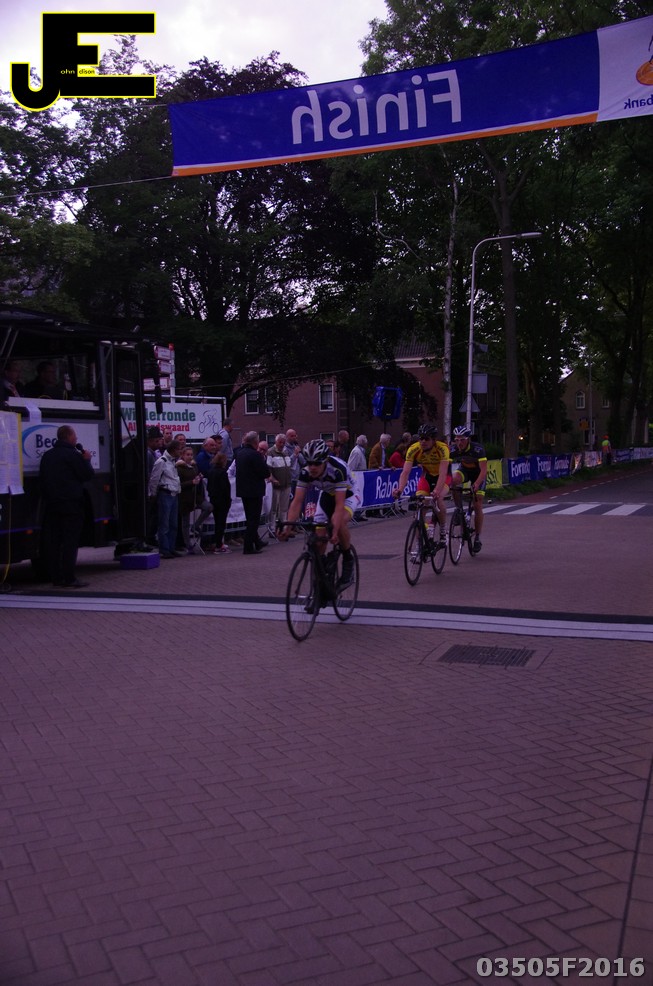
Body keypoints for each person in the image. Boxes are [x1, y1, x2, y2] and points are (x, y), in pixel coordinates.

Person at [278, 438, 357, 587]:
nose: (312, 467)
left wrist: (334, 532)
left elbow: (339, 505)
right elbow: (297, 502)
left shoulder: (337, 470)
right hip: (327, 494)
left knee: (338, 523)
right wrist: (288, 528)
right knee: (319, 535)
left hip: (349, 494)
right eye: (309, 463)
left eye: (317, 463)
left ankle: (348, 559)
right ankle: (322, 572)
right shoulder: (305, 473)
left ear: (325, 461)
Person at [39, 424, 94, 588]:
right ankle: (69, 577)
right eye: (74, 436)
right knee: (70, 541)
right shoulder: (73, 455)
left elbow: (42, 480)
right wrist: (87, 460)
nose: (76, 438)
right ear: (69, 437)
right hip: (72, 503)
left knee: (55, 541)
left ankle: (56, 577)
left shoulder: (47, 456)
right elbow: (86, 475)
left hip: (52, 504)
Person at [393, 424, 450, 546]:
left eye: (426, 439)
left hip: (443, 477)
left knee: (439, 499)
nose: (423, 441)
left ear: (433, 440)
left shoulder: (442, 448)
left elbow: (443, 473)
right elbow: (405, 472)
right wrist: (400, 489)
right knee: (420, 506)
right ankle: (419, 545)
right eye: (421, 438)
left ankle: (443, 530)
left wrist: (437, 490)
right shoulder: (414, 448)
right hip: (427, 477)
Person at [449, 425, 488, 554]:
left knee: (477, 504)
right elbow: (445, 468)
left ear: (468, 439)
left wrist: (476, 484)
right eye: (457, 440)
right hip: (465, 470)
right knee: (453, 480)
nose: (459, 443)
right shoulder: (453, 449)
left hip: (478, 474)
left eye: (462, 440)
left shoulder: (478, 449)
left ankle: (477, 537)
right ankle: (458, 510)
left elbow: (484, 470)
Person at [233, 430, 270, 554]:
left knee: (249, 517)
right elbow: (265, 472)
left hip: (243, 490)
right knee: (254, 519)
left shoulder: (239, 453)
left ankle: (257, 542)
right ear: (255, 442)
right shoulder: (255, 455)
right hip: (254, 490)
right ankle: (248, 547)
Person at [148, 439, 184, 558]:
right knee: (164, 524)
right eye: (179, 449)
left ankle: (171, 547)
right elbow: (154, 479)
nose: (181, 451)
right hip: (165, 494)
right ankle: (164, 549)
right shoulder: (161, 461)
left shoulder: (173, 461)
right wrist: (153, 494)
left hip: (174, 494)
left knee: (173, 524)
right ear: (174, 450)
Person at [176, 446, 213, 552]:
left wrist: (199, 477)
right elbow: (178, 485)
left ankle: (196, 526)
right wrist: (191, 482)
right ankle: (188, 544)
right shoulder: (179, 468)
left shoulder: (194, 466)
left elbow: (197, 477)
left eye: (191, 455)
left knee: (209, 507)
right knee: (185, 522)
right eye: (187, 455)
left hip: (196, 497)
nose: (190, 457)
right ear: (182, 455)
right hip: (184, 497)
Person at [207, 451, 233, 554]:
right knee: (221, 523)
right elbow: (225, 488)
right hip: (222, 501)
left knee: (217, 522)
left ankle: (217, 542)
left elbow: (208, 487)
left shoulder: (211, 471)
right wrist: (228, 500)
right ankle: (218, 545)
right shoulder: (222, 473)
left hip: (214, 499)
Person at [266, 433, 293, 529]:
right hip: (276, 485)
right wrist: (272, 479)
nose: (281, 444)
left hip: (286, 484)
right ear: (276, 442)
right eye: (280, 442)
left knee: (284, 508)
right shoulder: (270, 452)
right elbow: (268, 468)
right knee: (274, 508)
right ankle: (272, 528)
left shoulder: (286, 452)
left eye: (283, 443)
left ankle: (283, 528)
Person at [145, 427, 164, 545]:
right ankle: (149, 538)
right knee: (152, 516)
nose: (159, 443)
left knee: (154, 515)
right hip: (151, 490)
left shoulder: (153, 454)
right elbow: (150, 475)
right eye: (157, 441)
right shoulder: (148, 454)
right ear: (151, 441)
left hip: (153, 489)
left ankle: (151, 537)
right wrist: (152, 491)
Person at [347, 435, 369, 522]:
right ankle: (355, 514)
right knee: (357, 495)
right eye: (366, 442)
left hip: (360, 478)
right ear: (363, 443)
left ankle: (358, 514)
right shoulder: (356, 452)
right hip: (357, 478)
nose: (367, 444)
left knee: (361, 495)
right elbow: (351, 466)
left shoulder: (360, 451)